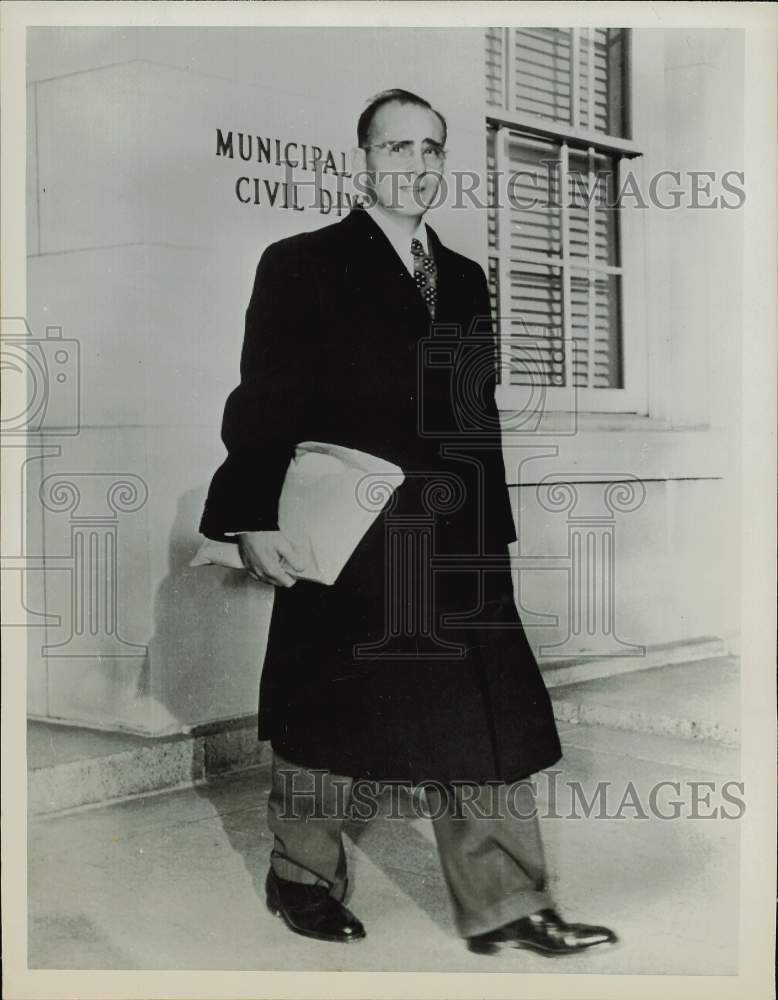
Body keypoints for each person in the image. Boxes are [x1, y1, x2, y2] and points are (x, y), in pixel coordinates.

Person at [200, 88, 617, 956]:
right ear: (364, 159)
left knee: (483, 717)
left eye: (432, 150)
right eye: (398, 149)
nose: (417, 167)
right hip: (353, 528)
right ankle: (301, 878)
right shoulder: (301, 262)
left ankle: (508, 904)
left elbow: (474, 415)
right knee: (326, 709)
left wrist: (491, 529)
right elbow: (264, 397)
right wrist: (250, 515)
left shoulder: (463, 277)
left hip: (457, 533)